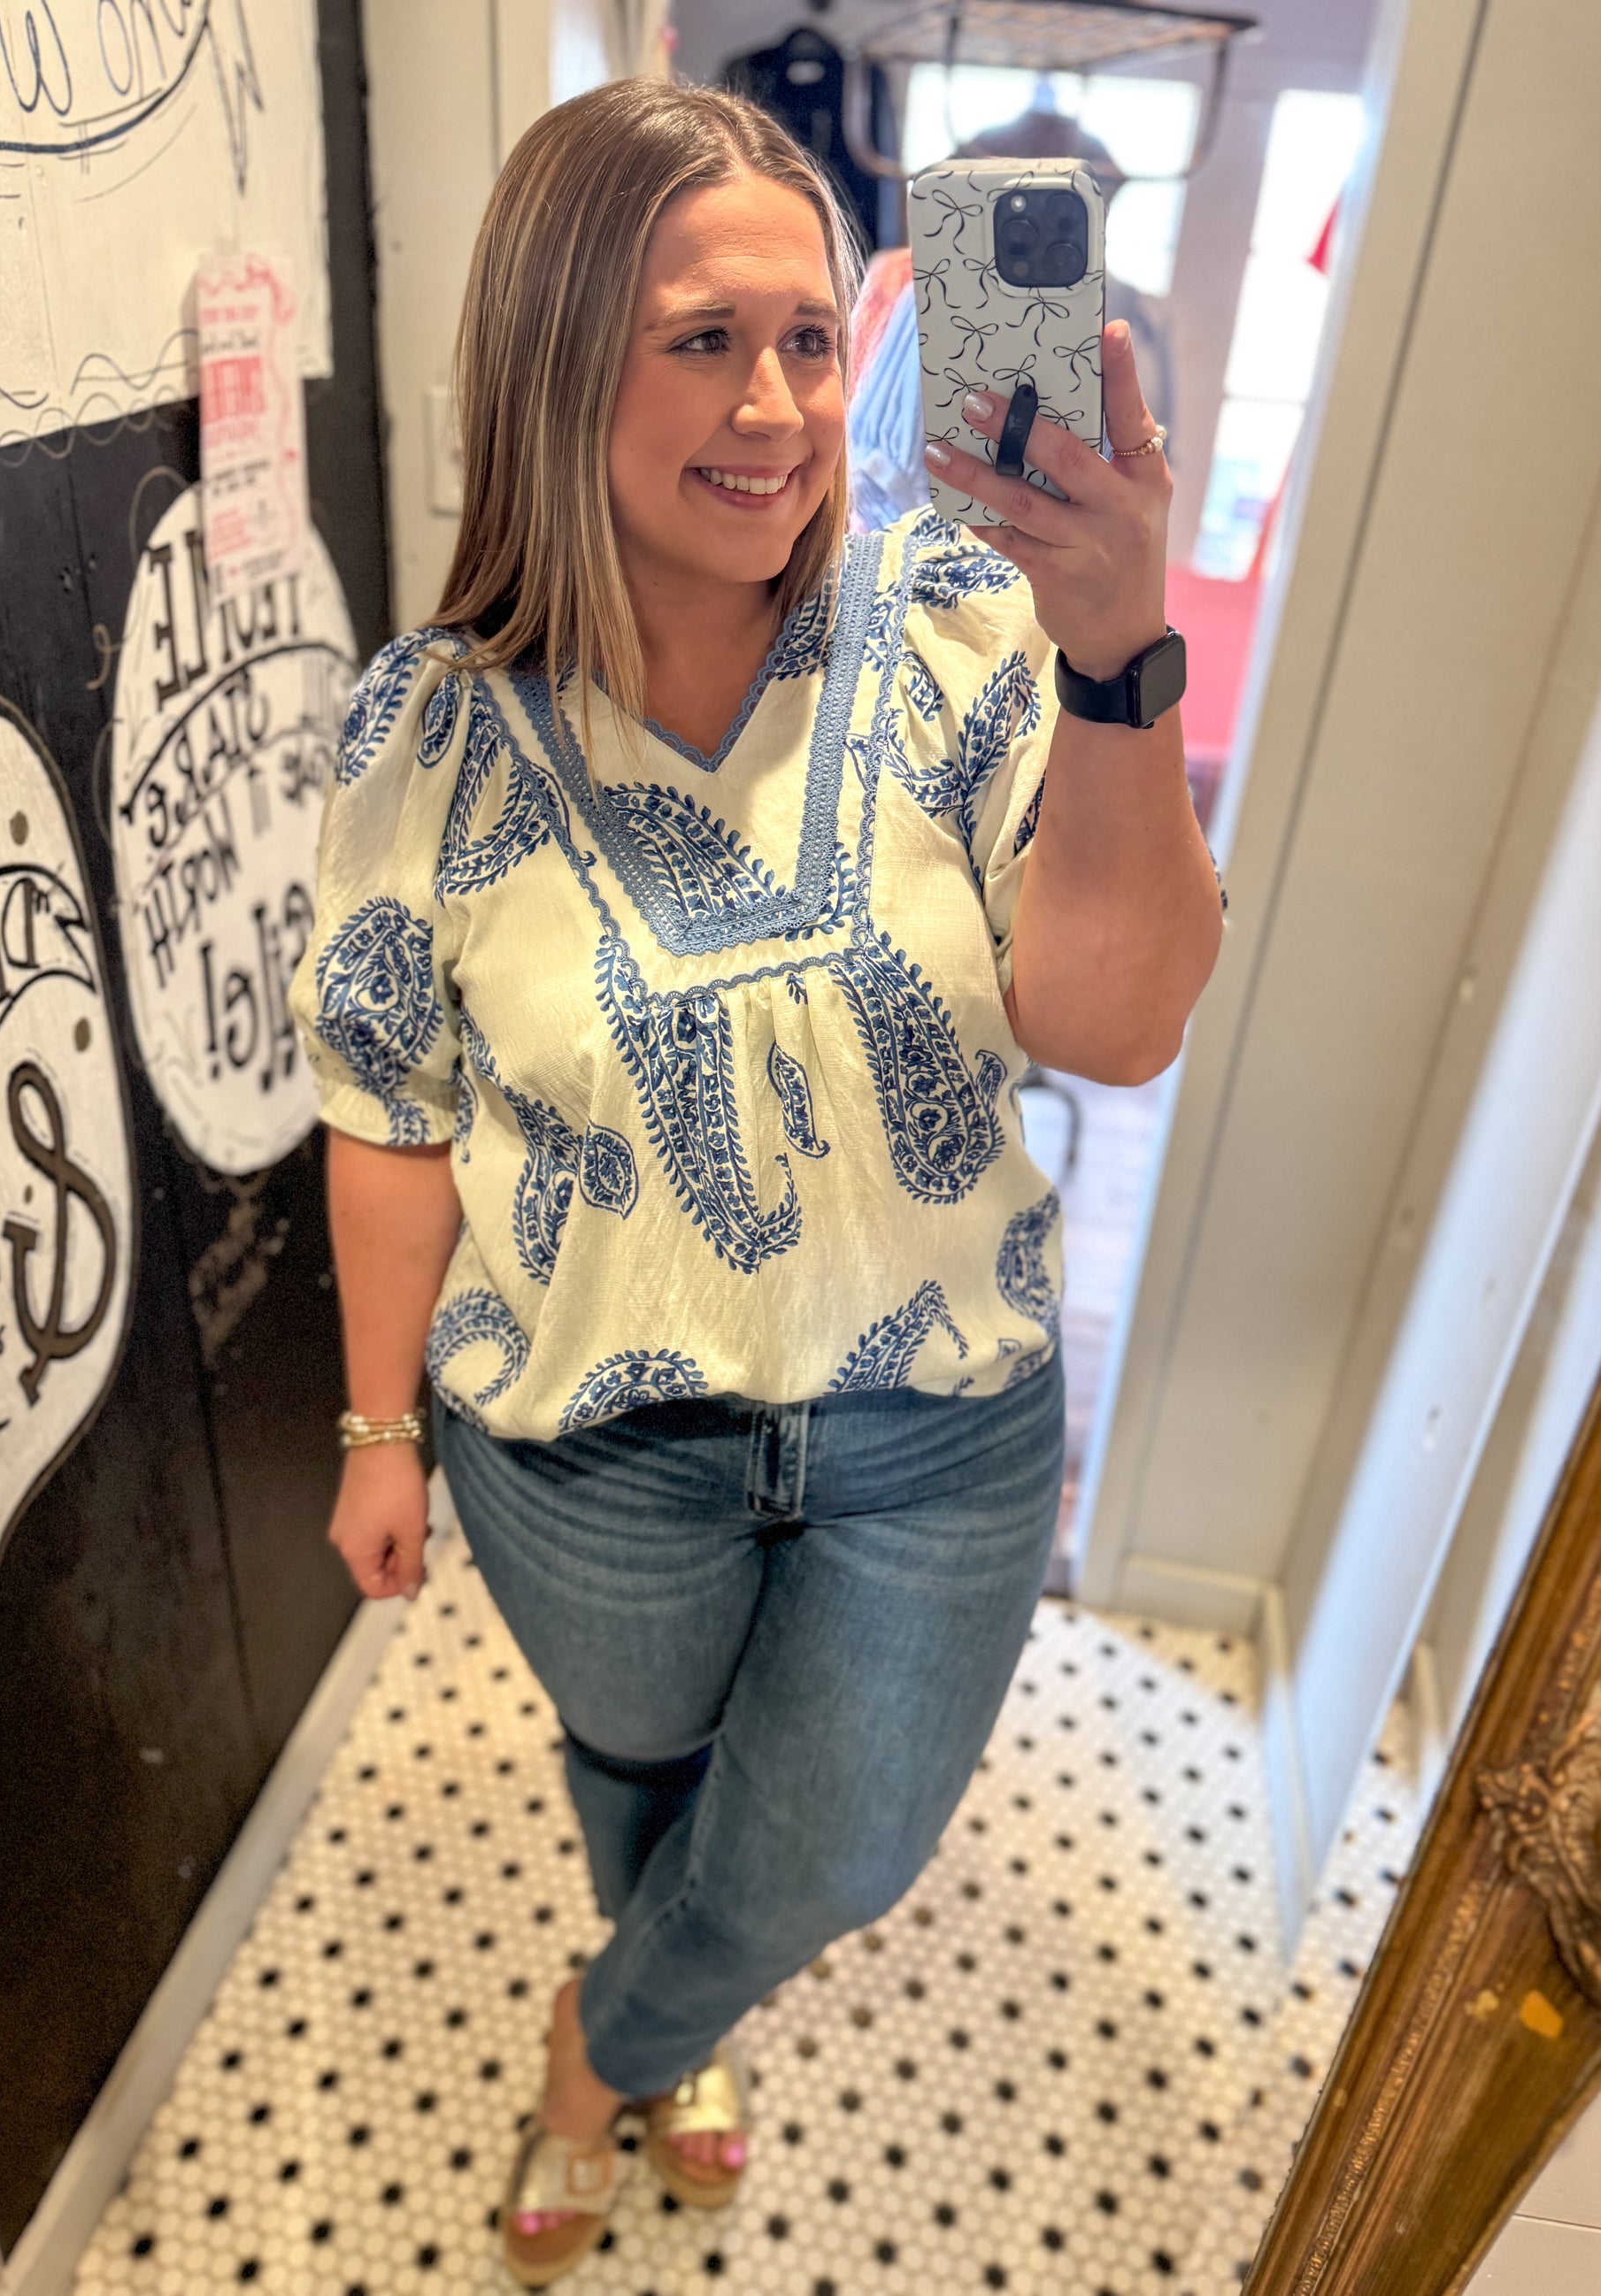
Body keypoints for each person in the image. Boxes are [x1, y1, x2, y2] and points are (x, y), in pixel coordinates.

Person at [289, 77, 1221, 2292]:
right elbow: (389, 1102)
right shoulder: (426, 728)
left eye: (809, 336)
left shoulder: (965, 629)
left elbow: (1112, 1024)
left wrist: (1116, 657)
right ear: (551, 358)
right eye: (703, 339)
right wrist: (376, 1420)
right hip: (589, 1445)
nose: (781, 404)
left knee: (839, 1842)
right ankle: (682, 2028)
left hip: (934, 1425)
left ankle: (602, 2045)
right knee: (641, 1758)